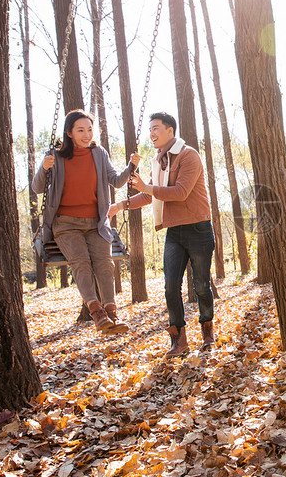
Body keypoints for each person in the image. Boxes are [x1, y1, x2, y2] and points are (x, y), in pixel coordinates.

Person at [109, 113, 215, 357]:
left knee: (200, 286)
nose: (152, 134)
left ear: (170, 130)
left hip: (198, 227)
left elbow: (180, 192)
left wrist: (147, 188)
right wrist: (119, 206)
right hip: (174, 231)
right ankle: (179, 340)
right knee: (170, 286)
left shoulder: (189, 155)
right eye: (150, 130)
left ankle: (207, 329)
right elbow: (149, 195)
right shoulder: (158, 161)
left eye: (155, 128)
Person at [33, 109, 141, 335]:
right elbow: (38, 188)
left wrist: (132, 166)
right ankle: (97, 313)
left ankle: (112, 314)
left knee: (105, 264)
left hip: (96, 223)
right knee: (81, 263)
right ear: (69, 133)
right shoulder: (57, 155)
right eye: (80, 130)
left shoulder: (99, 153)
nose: (86, 134)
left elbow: (116, 181)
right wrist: (44, 168)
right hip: (65, 224)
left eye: (89, 130)